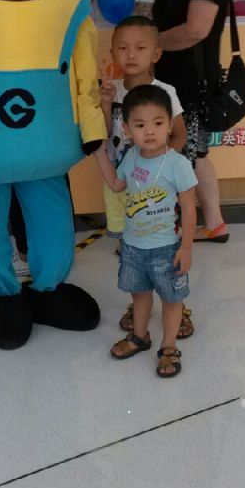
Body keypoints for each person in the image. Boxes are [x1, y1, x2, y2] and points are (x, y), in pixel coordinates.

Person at [98, 16, 195, 340]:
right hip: (123, 183)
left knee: (165, 245)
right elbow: (103, 134)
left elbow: (179, 135)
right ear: (112, 52)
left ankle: (177, 303)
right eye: (123, 48)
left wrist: (161, 169)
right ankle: (139, 299)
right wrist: (105, 104)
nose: (131, 54)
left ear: (155, 53)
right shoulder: (112, 90)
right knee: (131, 244)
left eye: (140, 48)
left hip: (158, 190)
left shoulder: (165, 92)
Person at [93, 84, 197, 377]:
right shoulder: (131, 158)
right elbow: (117, 185)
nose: (149, 131)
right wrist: (100, 154)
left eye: (158, 123)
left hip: (167, 248)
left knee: (172, 299)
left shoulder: (177, 164)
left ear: (170, 125)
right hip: (133, 247)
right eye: (140, 125)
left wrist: (186, 247)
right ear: (127, 129)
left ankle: (169, 346)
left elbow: (189, 208)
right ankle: (140, 336)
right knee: (139, 295)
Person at [152, 0, 230, 244]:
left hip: (191, 81)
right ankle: (214, 224)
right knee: (194, 152)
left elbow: (196, 30)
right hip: (172, 79)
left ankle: (174, 230)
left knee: (186, 153)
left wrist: (151, 44)